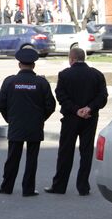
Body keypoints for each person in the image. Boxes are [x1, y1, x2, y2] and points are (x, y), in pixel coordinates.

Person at [44, 47, 108, 196]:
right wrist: (89, 108)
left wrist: (76, 110)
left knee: (66, 152)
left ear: (71, 59)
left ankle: (59, 186)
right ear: (84, 58)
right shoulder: (97, 75)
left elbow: (61, 96)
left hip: (70, 119)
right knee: (86, 152)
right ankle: (83, 187)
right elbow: (103, 96)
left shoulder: (65, 75)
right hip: (90, 119)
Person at [0, 47, 56, 197]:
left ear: (19, 64)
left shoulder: (10, 81)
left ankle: (7, 186)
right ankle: (28, 189)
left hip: (16, 126)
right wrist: (40, 119)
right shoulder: (41, 83)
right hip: (35, 126)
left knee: (12, 158)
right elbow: (51, 106)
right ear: (33, 65)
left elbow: (0, 104)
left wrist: (11, 119)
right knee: (32, 159)